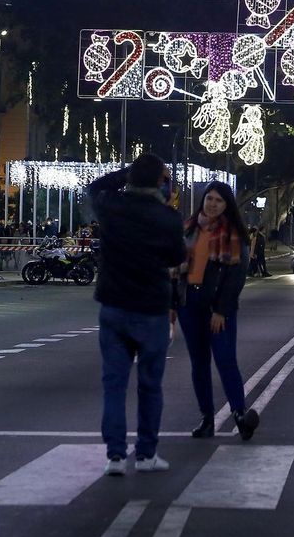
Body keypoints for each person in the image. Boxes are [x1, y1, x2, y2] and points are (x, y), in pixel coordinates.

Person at [92, 155, 187, 475]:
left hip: (114, 305)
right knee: (150, 385)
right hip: (151, 308)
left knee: (114, 384)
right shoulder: (167, 217)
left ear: (131, 177)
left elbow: (95, 187)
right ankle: (146, 454)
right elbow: (176, 256)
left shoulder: (112, 206)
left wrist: (126, 173)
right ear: (161, 182)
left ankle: (115, 456)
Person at [178, 182, 260, 441]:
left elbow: (235, 278)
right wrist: (172, 303)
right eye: (209, 198)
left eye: (219, 200)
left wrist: (221, 310)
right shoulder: (189, 228)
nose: (212, 204)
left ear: (227, 205)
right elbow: (175, 268)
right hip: (189, 303)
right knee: (199, 362)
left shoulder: (234, 235)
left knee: (225, 360)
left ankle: (240, 414)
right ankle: (207, 419)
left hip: (218, 308)